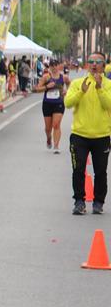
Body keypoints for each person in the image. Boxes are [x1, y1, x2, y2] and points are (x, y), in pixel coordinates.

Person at [64, 53, 111, 215]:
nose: (94, 64)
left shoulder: (108, 85)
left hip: (101, 136)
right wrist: (81, 92)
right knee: (78, 170)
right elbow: (68, 103)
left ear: (104, 65)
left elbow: (108, 104)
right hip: (79, 135)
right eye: (91, 61)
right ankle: (79, 201)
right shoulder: (78, 83)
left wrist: (99, 89)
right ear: (87, 65)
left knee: (100, 171)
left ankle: (98, 202)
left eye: (98, 62)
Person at [37, 59, 69, 155]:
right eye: (52, 66)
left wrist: (67, 91)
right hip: (47, 104)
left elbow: (70, 85)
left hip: (59, 103)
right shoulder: (46, 77)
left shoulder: (64, 77)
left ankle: (56, 146)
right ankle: (48, 138)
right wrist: (47, 87)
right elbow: (37, 89)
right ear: (49, 67)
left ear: (59, 66)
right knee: (48, 128)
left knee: (56, 124)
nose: (54, 68)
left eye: (56, 65)